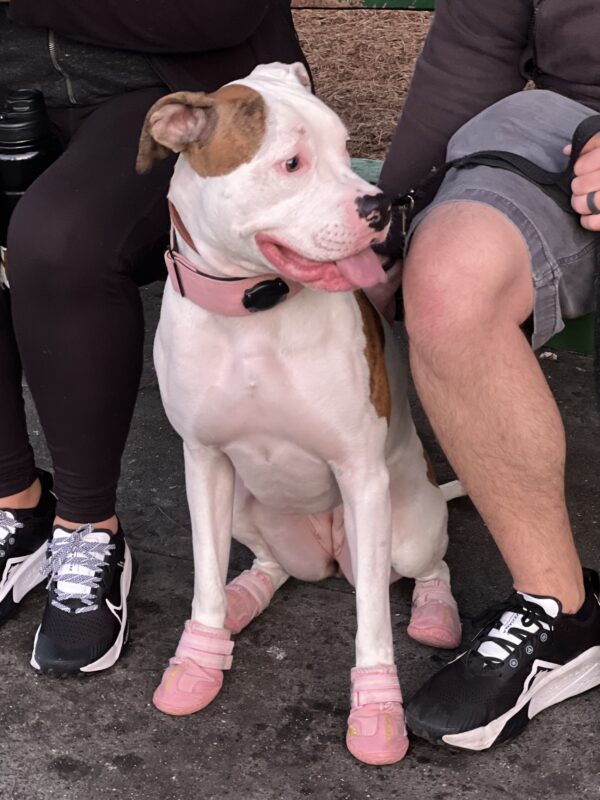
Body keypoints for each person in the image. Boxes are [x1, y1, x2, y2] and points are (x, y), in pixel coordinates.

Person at [0, 0, 308, 676]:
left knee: (61, 241)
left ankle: (86, 528)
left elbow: (214, 17)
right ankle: (15, 504)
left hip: (172, 93)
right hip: (15, 89)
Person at [376, 0, 600, 750]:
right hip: (565, 132)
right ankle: (560, 611)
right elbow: (469, 53)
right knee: (447, 280)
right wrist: (392, 223)